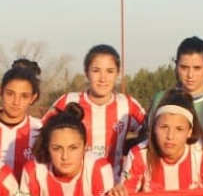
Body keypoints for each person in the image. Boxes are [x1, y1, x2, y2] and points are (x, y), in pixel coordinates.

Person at [44, 44, 145, 175]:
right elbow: (42, 135)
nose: (103, 78)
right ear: (86, 72)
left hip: (113, 187)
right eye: (96, 70)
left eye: (110, 71)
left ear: (118, 74)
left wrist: (130, 152)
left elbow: (151, 134)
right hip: (76, 183)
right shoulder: (68, 102)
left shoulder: (127, 105)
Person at [149, 37, 203, 180]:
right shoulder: (161, 99)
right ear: (176, 65)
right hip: (168, 193)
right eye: (184, 68)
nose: (190, 75)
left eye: (197, 68)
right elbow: (147, 146)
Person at [114, 90, 203, 196]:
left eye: (179, 129)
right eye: (164, 127)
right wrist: (119, 193)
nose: (170, 136)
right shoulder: (139, 154)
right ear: (154, 127)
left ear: (190, 131)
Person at [21, 103, 115, 196]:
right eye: (57, 148)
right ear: (47, 147)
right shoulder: (34, 171)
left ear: (85, 147)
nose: (65, 157)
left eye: (73, 148)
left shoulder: (99, 169)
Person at [0, 60, 42, 180]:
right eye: (10, 94)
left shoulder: (39, 130)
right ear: (0, 92)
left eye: (24, 96)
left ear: (33, 98)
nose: (16, 102)